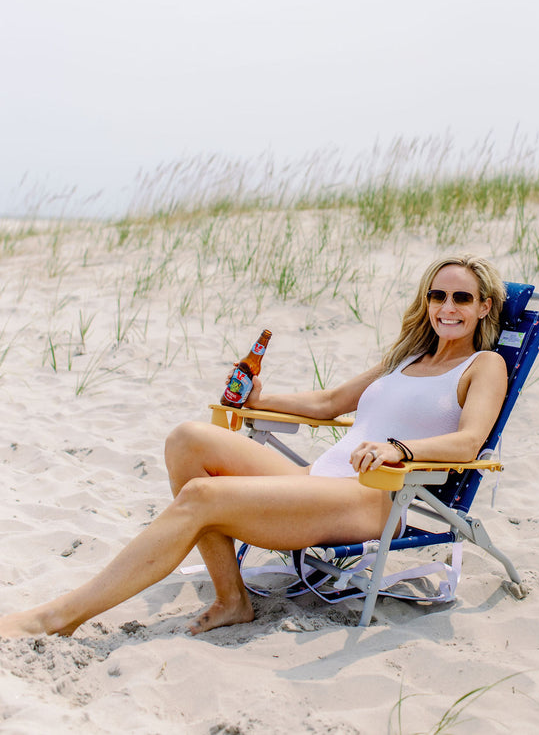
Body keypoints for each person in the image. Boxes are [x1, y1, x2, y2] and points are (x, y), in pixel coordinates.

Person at [0, 254, 507, 639]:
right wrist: (261, 399)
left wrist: (400, 448)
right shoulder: (407, 358)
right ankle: (231, 599)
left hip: (375, 497)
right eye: (438, 296)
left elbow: (469, 442)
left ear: (484, 306)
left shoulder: (484, 366)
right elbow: (330, 402)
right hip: (320, 481)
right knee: (187, 440)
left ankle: (58, 616)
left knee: (201, 496)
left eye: (462, 299)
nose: (447, 308)